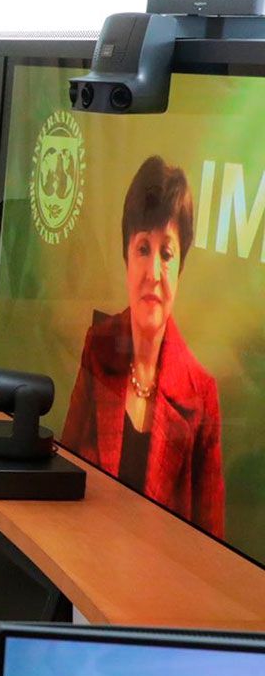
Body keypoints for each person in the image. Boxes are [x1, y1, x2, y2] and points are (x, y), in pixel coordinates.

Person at [60, 155, 224, 536]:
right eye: (142, 249)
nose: (153, 273)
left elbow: (212, 544)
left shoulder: (202, 395)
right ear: (126, 259)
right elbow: (63, 476)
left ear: (181, 266)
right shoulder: (99, 347)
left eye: (166, 253)